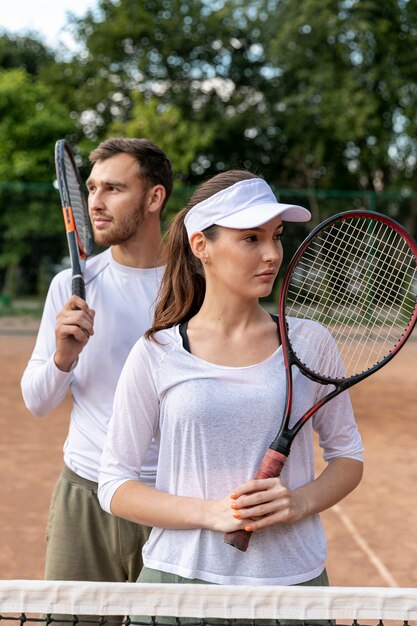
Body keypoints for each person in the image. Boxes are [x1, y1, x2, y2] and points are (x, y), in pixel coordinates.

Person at [98, 170, 364, 593]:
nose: (273, 253)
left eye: (276, 236)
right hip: (178, 584)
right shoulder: (157, 351)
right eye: (251, 239)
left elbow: (348, 455)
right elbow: (114, 484)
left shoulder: (310, 342)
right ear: (201, 245)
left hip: (292, 587)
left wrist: (300, 502)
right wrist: (210, 513)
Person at [21, 137, 173, 587]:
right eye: (90, 189)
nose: (96, 203)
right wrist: (63, 358)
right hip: (86, 491)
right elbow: (37, 402)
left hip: (170, 497)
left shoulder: (197, 288)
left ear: (154, 197)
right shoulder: (68, 287)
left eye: (113, 189)